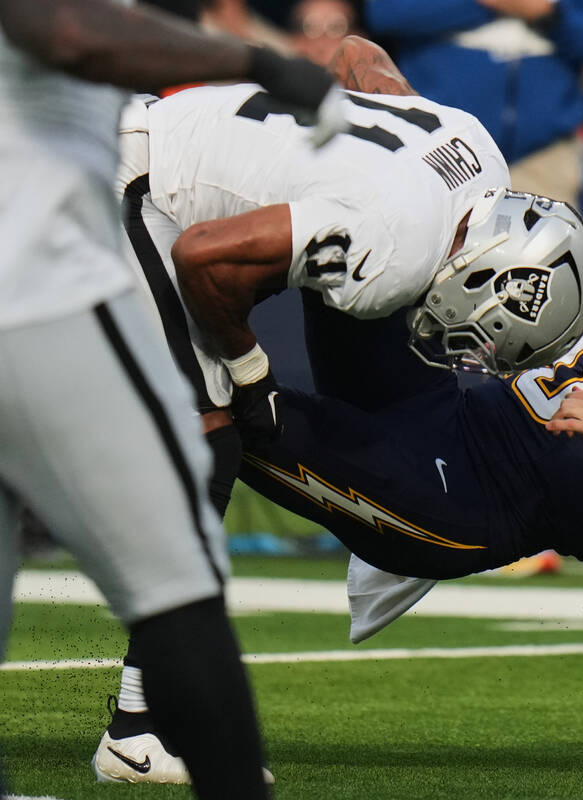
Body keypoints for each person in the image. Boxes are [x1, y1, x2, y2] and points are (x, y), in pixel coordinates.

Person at [91, 34, 583, 784]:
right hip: (132, 185)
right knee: (207, 446)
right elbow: (203, 254)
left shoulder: (479, 154)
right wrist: (248, 363)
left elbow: (351, 53)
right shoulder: (393, 256)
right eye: (484, 340)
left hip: (146, 136)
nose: (468, 357)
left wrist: (276, 155)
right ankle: (138, 731)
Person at [208, 130, 583, 594]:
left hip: (467, 498)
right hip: (439, 408)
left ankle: (148, 702)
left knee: (218, 414)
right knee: (348, 242)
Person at [0, 0, 348, 796]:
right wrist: (260, 61)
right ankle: (145, 733)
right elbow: (70, 31)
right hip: (31, 298)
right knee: (177, 566)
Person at [363, 0, 583, 204]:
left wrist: (550, 15)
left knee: (542, 268)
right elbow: (386, 12)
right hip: (435, 150)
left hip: (542, 155)